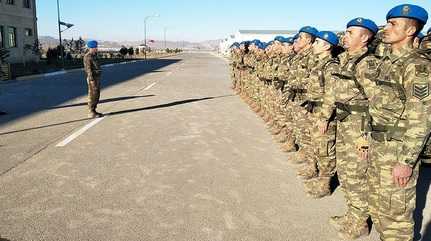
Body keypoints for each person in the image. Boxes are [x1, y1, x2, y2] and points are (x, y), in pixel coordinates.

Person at [366, 4, 430, 240]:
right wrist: (366, 140)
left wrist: (405, 161)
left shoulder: (418, 67)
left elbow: (422, 119)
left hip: (397, 150)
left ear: (411, 30)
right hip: (377, 145)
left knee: (396, 216)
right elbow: (376, 107)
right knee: (378, 206)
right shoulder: (388, 62)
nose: (387, 28)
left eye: (393, 24)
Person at [321, 17, 379, 239]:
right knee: (345, 172)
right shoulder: (343, 59)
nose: (345, 36)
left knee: (357, 174)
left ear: (365, 37)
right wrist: (324, 117)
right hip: (344, 124)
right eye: (346, 32)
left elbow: (379, 103)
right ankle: (352, 214)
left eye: (351, 32)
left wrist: (367, 137)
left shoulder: (367, 64)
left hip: (360, 129)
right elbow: (333, 93)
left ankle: (360, 223)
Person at [299, 31, 340, 199]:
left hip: (324, 113)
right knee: (316, 144)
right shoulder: (319, 64)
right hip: (314, 110)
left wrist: (325, 117)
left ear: (327, 46)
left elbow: (332, 94)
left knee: (325, 149)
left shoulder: (331, 66)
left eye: (317, 42)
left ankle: (325, 185)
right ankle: (317, 174)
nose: (313, 45)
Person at [83, 40, 103, 118]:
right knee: (92, 95)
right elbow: (88, 69)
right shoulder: (87, 56)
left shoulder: (94, 55)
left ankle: (94, 110)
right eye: (95, 47)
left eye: (96, 47)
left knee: (97, 94)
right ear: (91, 48)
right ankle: (91, 111)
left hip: (97, 77)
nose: (96, 48)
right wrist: (91, 80)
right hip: (92, 78)